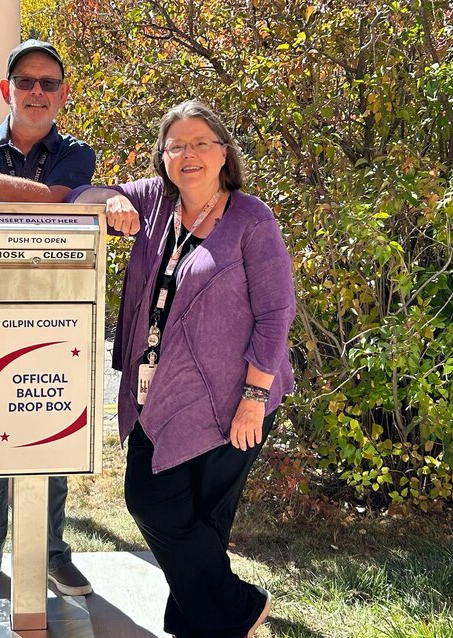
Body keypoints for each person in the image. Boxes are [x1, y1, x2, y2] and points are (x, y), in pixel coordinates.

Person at [71, 100, 295, 637]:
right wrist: (110, 202)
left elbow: (276, 312)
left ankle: (201, 618)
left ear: (223, 152)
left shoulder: (250, 218)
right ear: (163, 157)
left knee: (205, 517)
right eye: (176, 145)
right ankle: (235, 608)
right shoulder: (152, 201)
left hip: (232, 399)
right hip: (157, 393)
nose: (188, 154)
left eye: (200, 143)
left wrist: (254, 397)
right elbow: (82, 196)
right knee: (152, 502)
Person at [0, 39, 96, 601]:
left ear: (63, 95)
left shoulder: (79, 153)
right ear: (7, 90)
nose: (36, 91)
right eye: (26, 82)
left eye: (48, 83)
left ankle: (52, 553)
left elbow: (57, 203)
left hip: (56, 326)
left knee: (52, 438)